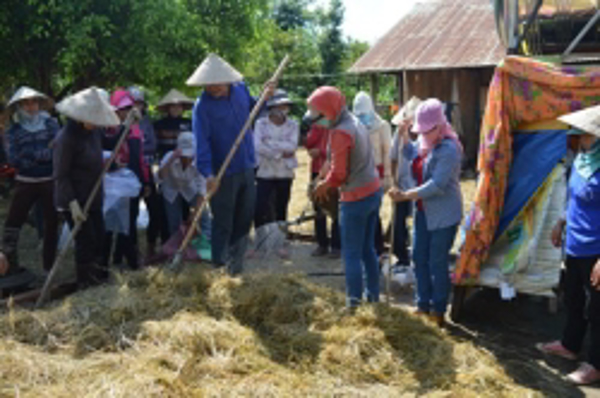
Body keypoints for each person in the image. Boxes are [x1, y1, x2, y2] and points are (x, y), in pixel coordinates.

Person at [187, 53, 275, 275]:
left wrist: (265, 97)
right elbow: (202, 144)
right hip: (222, 173)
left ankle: (236, 269)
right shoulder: (202, 106)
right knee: (223, 223)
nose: (213, 87)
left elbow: (254, 109)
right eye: (208, 84)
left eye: (217, 83)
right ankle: (220, 268)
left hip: (246, 166)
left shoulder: (240, 90)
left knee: (244, 221)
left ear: (227, 80)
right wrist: (208, 174)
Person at [536, 106, 600, 385]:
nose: (578, 139)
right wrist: (561, 222)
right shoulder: (582, 161)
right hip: (574, 245)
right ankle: (570, 345)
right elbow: (573, 199)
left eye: (583, 134)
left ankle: (596, 364)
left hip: (596, 249)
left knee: (597, 309)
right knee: (573, 299)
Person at [389, 98, 463, 327]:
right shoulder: (425, 142)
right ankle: (422, 305)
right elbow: (412, 154)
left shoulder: (449, 149)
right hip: (422, 211)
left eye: (426, 131)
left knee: (437, 262)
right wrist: (403, 136)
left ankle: (438, 310)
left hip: (443, 214)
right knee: (419, 257)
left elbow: (437, 185)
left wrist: (405, 195)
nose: (422, 135)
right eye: (419, 131)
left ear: (440, 126)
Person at [309, 86, 382, 308]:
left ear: (329, 110)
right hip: (373, 191)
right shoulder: (354, 122)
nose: (315, 118)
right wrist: (325, 170)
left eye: (317, 113)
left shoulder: (341, 132)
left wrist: (323, 185)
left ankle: (353, 304)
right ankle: (373, 297)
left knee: (351, 254)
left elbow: (340, 174)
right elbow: (338, 160)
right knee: (368, 248)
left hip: (356, 197)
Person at [53, 87, 120, 287]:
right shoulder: (66, 139)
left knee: (100, 237)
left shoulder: (94, 132)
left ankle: (99, 277)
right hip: (73, 198)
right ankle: (85, 282)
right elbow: (61, 175)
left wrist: (126, 125)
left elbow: (110, 143)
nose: (96, 122)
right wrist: (73, 204)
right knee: (85, 240)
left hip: (93, 194)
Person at [0, 87, 59, 276]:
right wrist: (41, 156)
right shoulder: (14, 130)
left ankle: (48, 267)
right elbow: (13, 157)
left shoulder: (51, 124)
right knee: (12, 223)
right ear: (20, 106)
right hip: (25, 181)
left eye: (34, 102)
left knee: (51, 224)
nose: (30, 106)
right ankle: (8, 267)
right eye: (26, 103)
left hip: (49, 180)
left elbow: (57, 150)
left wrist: (35, 156)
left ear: (39, 103)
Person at [102, 89, 149, 270]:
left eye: (129, 107)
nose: (126, 111)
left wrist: (144, 181)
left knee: (129, 222)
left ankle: (128, 260)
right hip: (110, 182)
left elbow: (140, 158)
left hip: (131, 182)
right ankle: (103, 262)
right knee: (108, 222)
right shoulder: (106, 129)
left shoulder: (135, 129)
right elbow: (104, 151)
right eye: (123, 108)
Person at [353, 91, 393, 256]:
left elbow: (387, 151)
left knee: (373, 211)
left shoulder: (382, 126)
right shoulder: (355, 126)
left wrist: (388, 176)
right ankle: (367, 246)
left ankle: (378, 247)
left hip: (378, 171)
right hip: (361, 172)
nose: (362, 117)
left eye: (364, 113)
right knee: (363, 211)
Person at [254, 89, 299, 229]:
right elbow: (258, 146)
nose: (283, 110)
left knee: (282, 206)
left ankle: (280, 240)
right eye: (280, 106)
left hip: (284, 172)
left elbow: (292, 146)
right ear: (272, 108)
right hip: (264, 171)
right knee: (261, 207)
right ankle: (262, 240)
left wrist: (270, 144)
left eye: (285, 106)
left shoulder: (293, 125)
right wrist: (279, 152)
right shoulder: (261, 124)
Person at [158, 132, 211, 240]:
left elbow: (202, 190)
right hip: (171, 190)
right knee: (174, 222)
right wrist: (171, 159)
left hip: (189, 188)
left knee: (204, 216)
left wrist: (195, 212)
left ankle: (207, 243)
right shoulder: (169, 157)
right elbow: (161, 176)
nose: (187, 159)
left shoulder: (199, 161)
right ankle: (176, 247)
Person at [389, 97, 422, 268]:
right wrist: (393, 183)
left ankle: (417, 259)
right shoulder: (398, 134)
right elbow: (393, 158)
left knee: (419, 226)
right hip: (401, 187)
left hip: (420, 189)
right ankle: (402, 258)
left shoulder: (425, 135)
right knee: (397, 227)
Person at [305, 124, 341, 258]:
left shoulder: (340, 126)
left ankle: (336, 246)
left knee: (335, 209)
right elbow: (308, 143)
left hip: (334, 173)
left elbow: (337, 150)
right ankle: (322, 244)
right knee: (318, 209)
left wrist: (320, 151)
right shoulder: (316, 125)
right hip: (317, 171)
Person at [154, 89, 194, 158]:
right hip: (165, 158)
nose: (176, 109)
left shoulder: (189, 123)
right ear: (168, 108)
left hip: (185, 158)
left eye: (179, 106)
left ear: (182, 108)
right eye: (173, 106)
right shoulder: (159, 124)